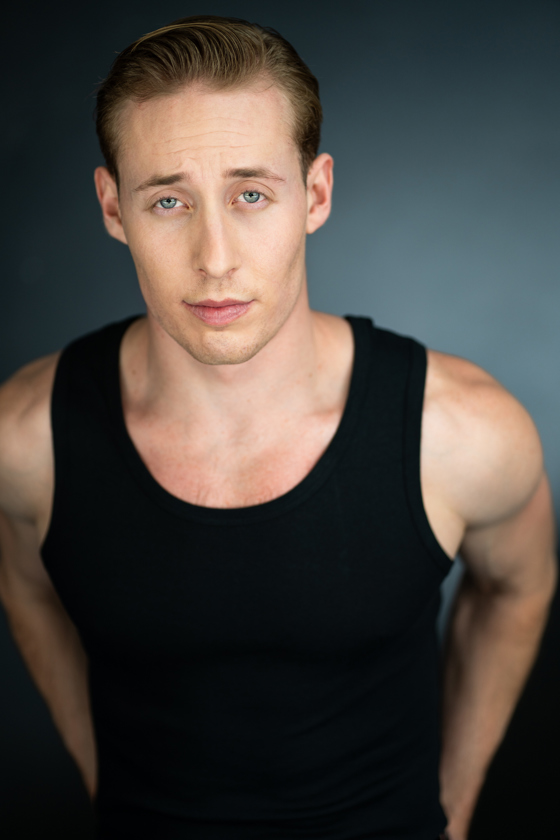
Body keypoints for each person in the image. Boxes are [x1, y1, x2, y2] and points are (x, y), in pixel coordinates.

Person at [0, 15, 556, 840]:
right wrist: (107, 783)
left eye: (251, 194)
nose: (215, 257)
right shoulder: (26, 441)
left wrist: (453, 807)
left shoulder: (463, 431)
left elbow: (517, 588)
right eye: (168, 201)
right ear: (114, 208)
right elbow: (27, 588)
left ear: (316, 195)